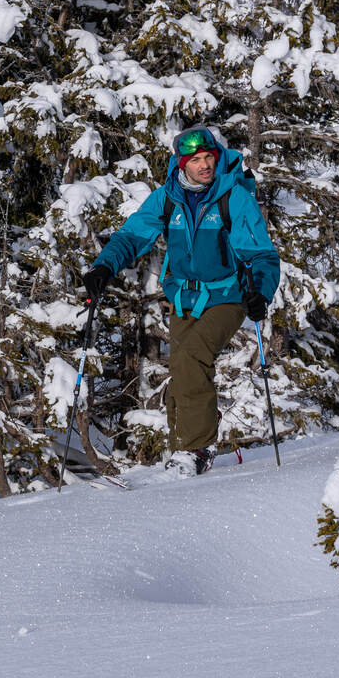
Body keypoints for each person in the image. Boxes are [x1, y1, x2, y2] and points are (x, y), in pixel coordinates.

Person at [82, 124, 280, 476]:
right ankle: (180, 451)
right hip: (185, 296)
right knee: (183, 369)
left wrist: (259, 292)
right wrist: (103, 268)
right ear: (181, 164)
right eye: (196, 159)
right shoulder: (168, 198)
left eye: (209, 157)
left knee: (190, 356)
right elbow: (132, 236)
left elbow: (262, 255)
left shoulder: (232, 197)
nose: (205, 165)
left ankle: (196, 451)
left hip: (228, 295)